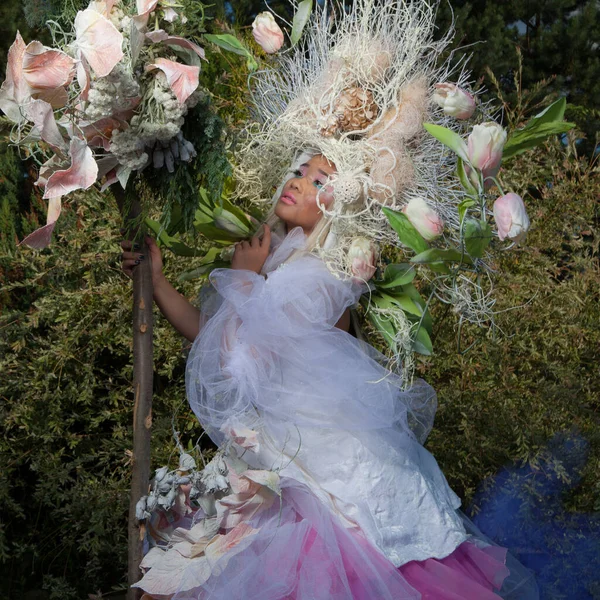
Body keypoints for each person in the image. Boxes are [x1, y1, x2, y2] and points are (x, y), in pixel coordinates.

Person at [121, 154, 539, 599]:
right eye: (299, 171)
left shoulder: (321, 277)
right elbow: (214, 335)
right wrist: (161, 283)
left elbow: (241, 365)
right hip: (287, 453)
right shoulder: (279, 265)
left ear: (341, 207)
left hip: (329, 470)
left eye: (319, 180)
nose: (299, 182)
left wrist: (242, 279)